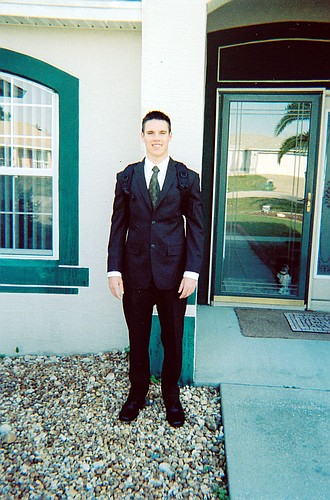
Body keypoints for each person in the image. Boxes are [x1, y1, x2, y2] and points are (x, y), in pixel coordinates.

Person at [107, 110, 203, 427]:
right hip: (134, 273)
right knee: (139, 336)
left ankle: (171, 398)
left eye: (162, 132)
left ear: (170, 136)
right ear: (143, 136)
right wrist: (113, 270)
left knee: (172, 338)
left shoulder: (186, 178)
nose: (157, 138)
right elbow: (117, 226)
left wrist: (192, 272)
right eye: (151, 132)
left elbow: (197, 229)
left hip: (174, 275)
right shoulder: (127, 177)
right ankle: (137, 394)